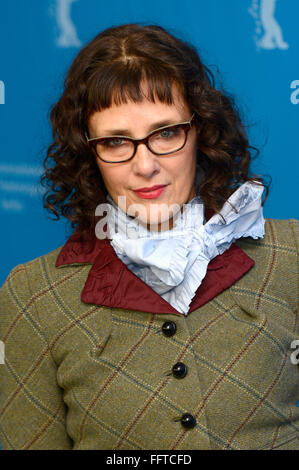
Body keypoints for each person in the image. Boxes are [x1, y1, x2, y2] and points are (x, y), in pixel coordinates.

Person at [0, 23, 298, 451]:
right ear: (89, 152)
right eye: (117, 141)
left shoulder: (292, 255)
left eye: (165, 133)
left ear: (201, 132)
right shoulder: (34, 296)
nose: (145, 166)